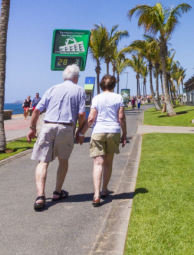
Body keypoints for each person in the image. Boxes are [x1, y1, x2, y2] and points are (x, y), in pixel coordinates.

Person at [29, 65, 87, 211]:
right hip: (66, 127)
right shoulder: (79, 90)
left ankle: (40, 196)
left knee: (43, 161)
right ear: (75, 78)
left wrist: (32, 128)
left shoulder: (52, 89)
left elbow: (36, 110)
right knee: (63, 160)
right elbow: (81, 114)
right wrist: (80, 132)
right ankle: (57, 192)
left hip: (48, 126)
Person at [83, 74, 127, 207]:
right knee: (108, 163)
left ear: (102, 85)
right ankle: (104, 189)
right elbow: (121, 118)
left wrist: (81, 133)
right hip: (113, 131)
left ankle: (96, 195)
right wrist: (124, 134)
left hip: (98, 132)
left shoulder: (96, 98)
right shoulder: (118, 98)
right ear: (114, 85)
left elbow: (91, 118)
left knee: (98, 163)